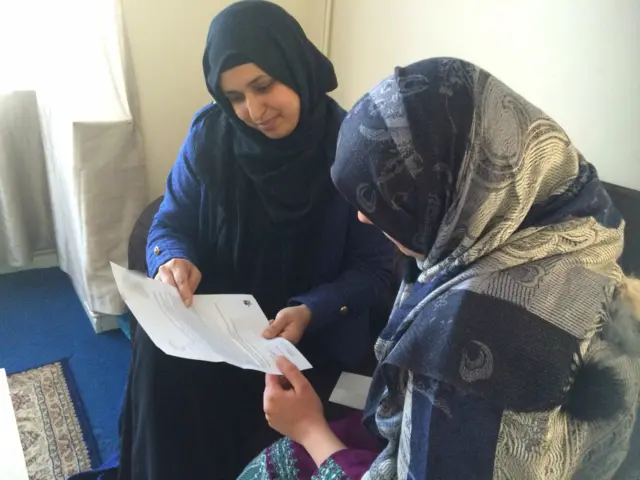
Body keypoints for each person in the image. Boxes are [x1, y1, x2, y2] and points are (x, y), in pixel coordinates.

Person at [238, 57, 640, 479]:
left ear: (451, 194)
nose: (364, 218)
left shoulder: (469, 352)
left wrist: (309, 429)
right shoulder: (577, 213)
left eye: (388, 198)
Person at [111, 2, 394, 479]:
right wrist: (172, 258)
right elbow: (170, 221)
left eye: (263, 86)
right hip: (220, 325)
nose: (253, 111)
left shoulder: (350, 147)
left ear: (296, 67)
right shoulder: (211, 135)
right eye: (235, 96)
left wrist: (311, 309)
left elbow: (376, 269)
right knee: (157, 356)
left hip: (308, 335)